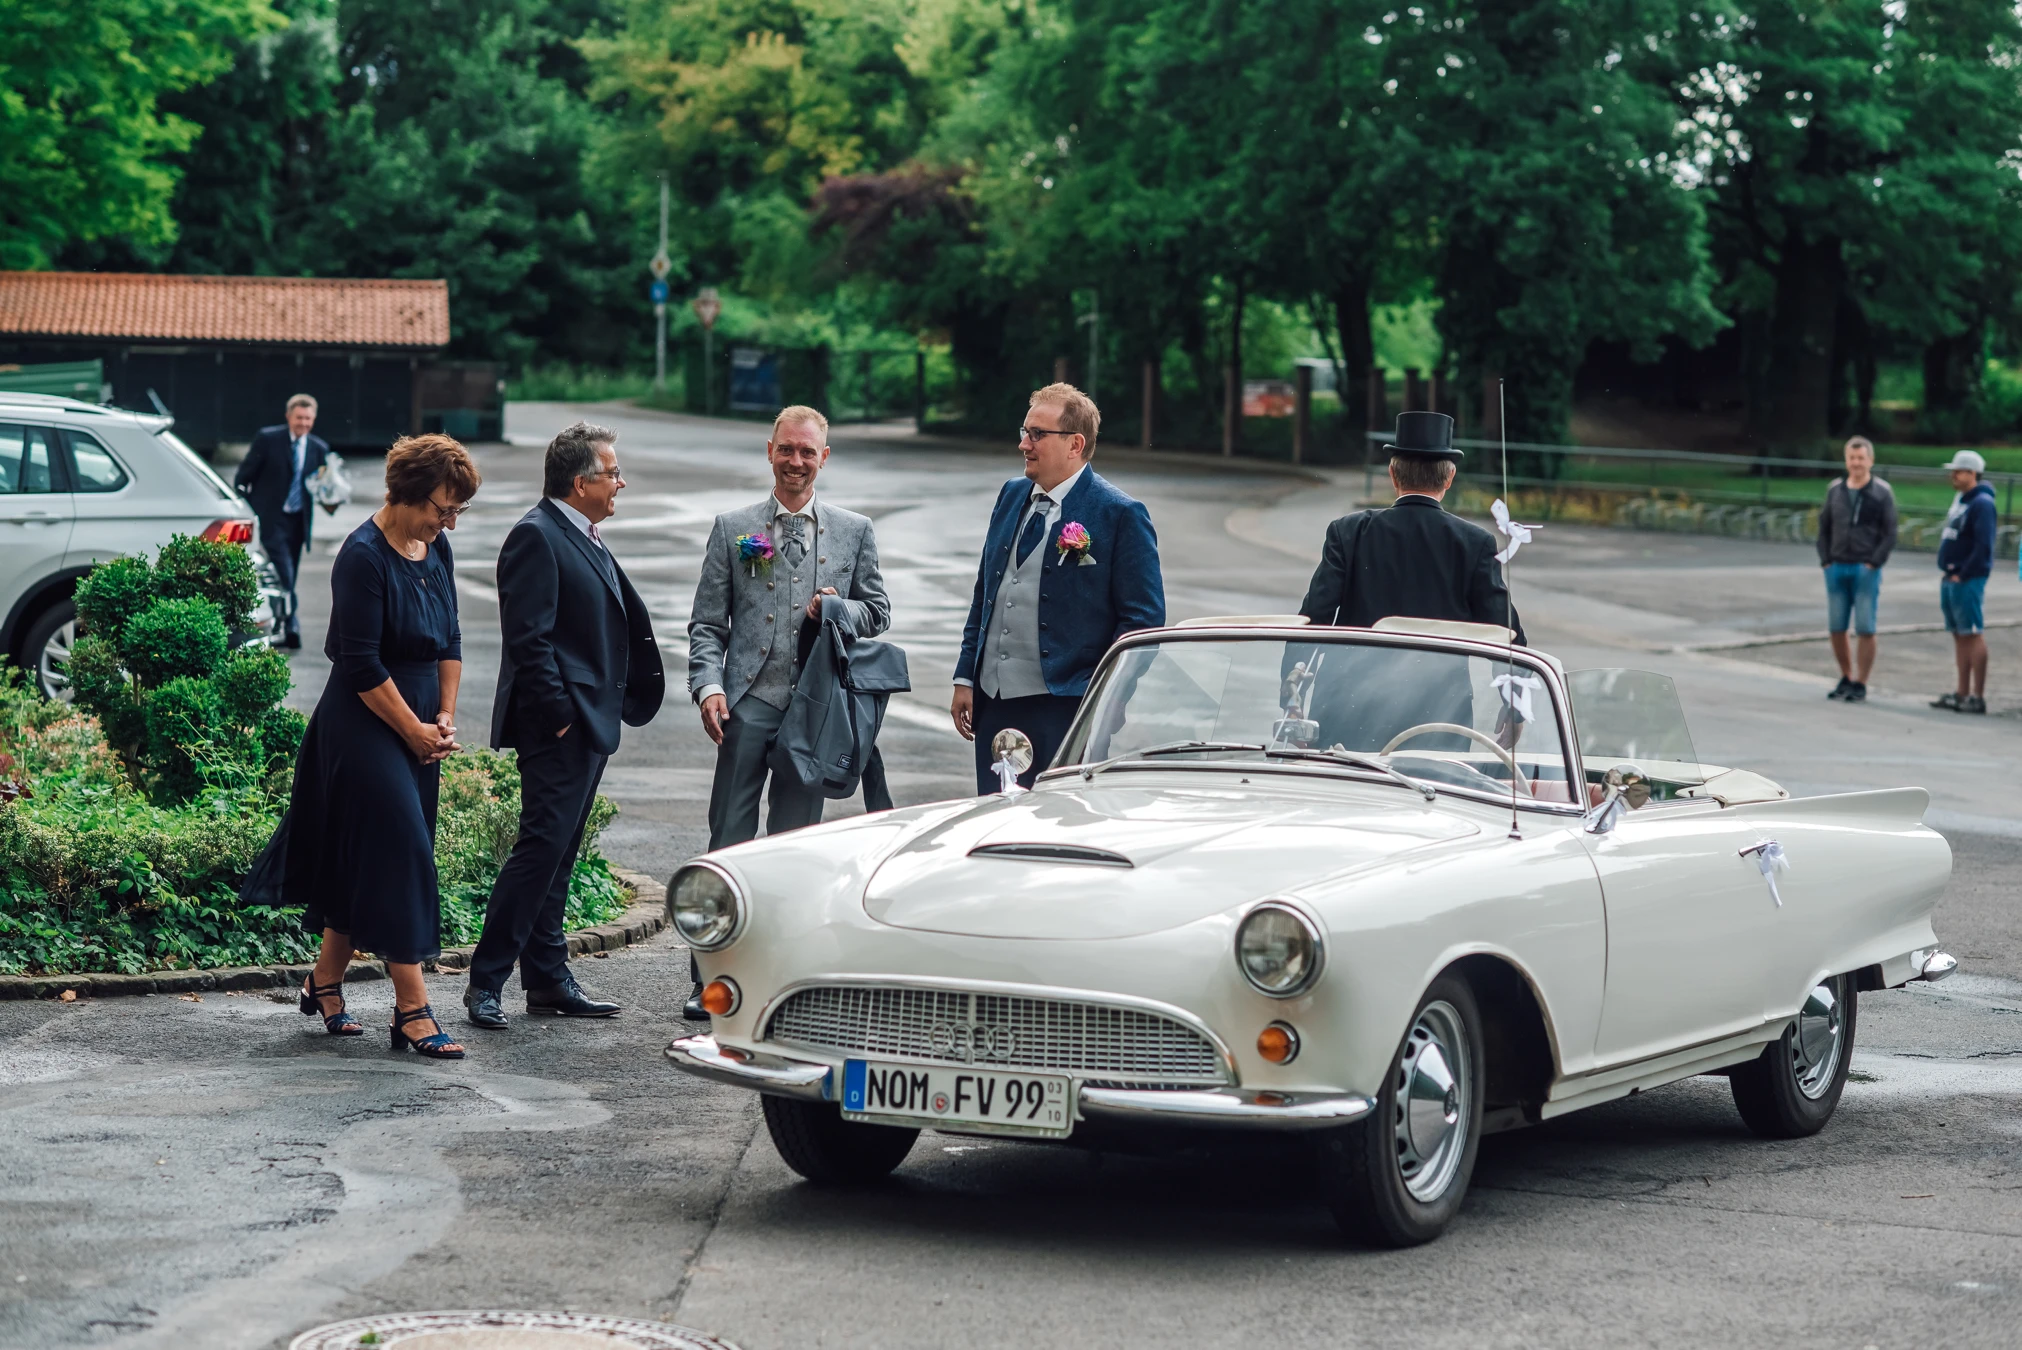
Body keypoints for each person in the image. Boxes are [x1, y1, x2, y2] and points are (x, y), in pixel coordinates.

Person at [463, 422, 665, 1030]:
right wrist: (557, 720)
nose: (620, 482)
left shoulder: (581, 531)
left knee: (560, 855)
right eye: (612, 473)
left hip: (589, 724)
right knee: (539, 851)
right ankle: (485, 982)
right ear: (580, 483)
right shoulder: (537, 536)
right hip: (560, 727)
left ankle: (547, 981)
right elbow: (529, 640)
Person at [285, 433, 479, 1061]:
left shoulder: (437, 546)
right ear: (406, 493)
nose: (447, 522)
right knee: (402, 853)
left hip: (421, 724)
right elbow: (361, 664)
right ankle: (413, 1008)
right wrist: (413, 729)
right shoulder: (362, 557)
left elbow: (450, 639)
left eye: (455, 512)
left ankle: (324, 982)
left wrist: (442, 718)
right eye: (441, 508)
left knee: (368, 858)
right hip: (365, 724)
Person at [688, 406, 888, 850]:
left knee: (794, 839)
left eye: (806, 451)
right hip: (746, 702)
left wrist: (838, 609)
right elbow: (706, 623)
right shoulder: (732, 528)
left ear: (824, 456)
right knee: (728, 832)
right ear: (769, 452)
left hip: (816, 708)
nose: (795, 461)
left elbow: (877, 610)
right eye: (786, 450)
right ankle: (726, 916)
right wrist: (708, 686)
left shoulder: (855, 531)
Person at [952, 382, 1165, 793]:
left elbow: (1143, 620)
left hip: (1070, 705)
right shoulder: (1012, 495)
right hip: (994, 702)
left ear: (1075, 444)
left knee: (1060, 821)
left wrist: (1111, 696)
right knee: (995, 815)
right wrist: (966, 676)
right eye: (1024, 431)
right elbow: (987, 592)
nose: (1023, 444)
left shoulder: (1120, 513)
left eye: (1037, 434)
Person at [1296, 411, 1525, 643]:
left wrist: (1294, 676)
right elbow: (1507, 636)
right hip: (1441, 680)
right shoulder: (1475, 542)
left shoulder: (1348, 531)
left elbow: (1314, 617)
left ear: (1393, 475)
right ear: (1450, 477)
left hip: (1354, 678)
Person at [233, 394, 329, 648]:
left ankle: (283, 620)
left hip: (298, 521)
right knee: (285, 573)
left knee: (290, 575)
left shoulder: (319, 449)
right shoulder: (268, 439)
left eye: (308, 419)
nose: (303, 423)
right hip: (272, 520)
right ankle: (292, 623)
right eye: (299, 417)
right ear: (288, 417)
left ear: (314, 419)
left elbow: (322, 487)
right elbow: (244, 476)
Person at [1817, 435, 1897, 703]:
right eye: (1852, 458)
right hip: (1837, 565)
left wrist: (1874, 562)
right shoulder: (1835, 490)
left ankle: (1861, 681)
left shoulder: (1882, 492)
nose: (1856, 463)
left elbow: (1890, 532)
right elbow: (1824, 527)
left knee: (1865, 627)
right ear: (1846, 460)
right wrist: (1825, 560)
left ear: (1870, 460)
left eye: (1861, 458)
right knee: (1837, 626)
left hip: (1865, 567)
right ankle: (1846, 675)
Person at [1932, 449, 1996, 714]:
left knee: (1972, 632)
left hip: (1967, 579)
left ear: (1972, 473)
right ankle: (1961, 691)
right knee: (1959, 635)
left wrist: (1964, 572)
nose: (1953, 476)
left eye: (1958, 471)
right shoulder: (1962, 500)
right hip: (1952, 576)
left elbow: (1983, 545)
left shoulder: (1982, 503)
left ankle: (1977, 695)